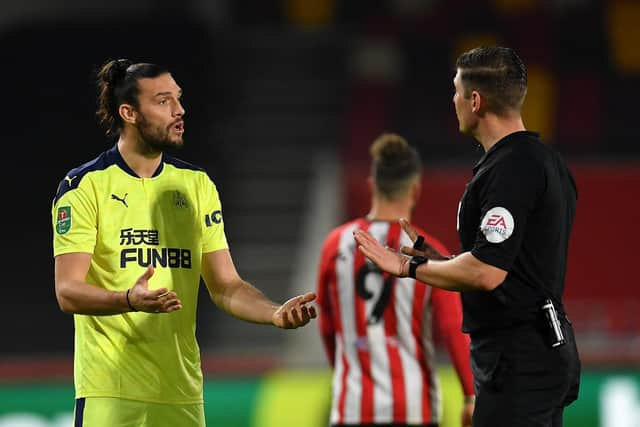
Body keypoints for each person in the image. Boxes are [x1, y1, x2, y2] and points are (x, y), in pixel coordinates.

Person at [51, 58, 317, 427]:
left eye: (178, 99)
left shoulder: (197, 185)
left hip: (182, 395)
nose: (179, 110)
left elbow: (226, 287)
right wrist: (128, 300)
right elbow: (68, 292)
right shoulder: (85, 187)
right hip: (110, 394)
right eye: (163, 101)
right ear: (129, 112)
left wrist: (274, 313)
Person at [353, 47, 580, 427]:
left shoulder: (510, 169)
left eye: (457, 91)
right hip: (535, 352)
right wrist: (436, 260)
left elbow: (487, 273)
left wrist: (409, 265)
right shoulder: (542, 161)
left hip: (519, 362)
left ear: (476, 101)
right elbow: (517, 269)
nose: (453, 100)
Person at [317, 133, 475, 427]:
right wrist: (470, 395)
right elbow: (454, 327)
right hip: (413, 408)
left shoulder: (334, 245)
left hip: (352, 407)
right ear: (415, 190)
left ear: (371, 185)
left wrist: (344, 374)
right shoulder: (431, 252)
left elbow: (327, 327)